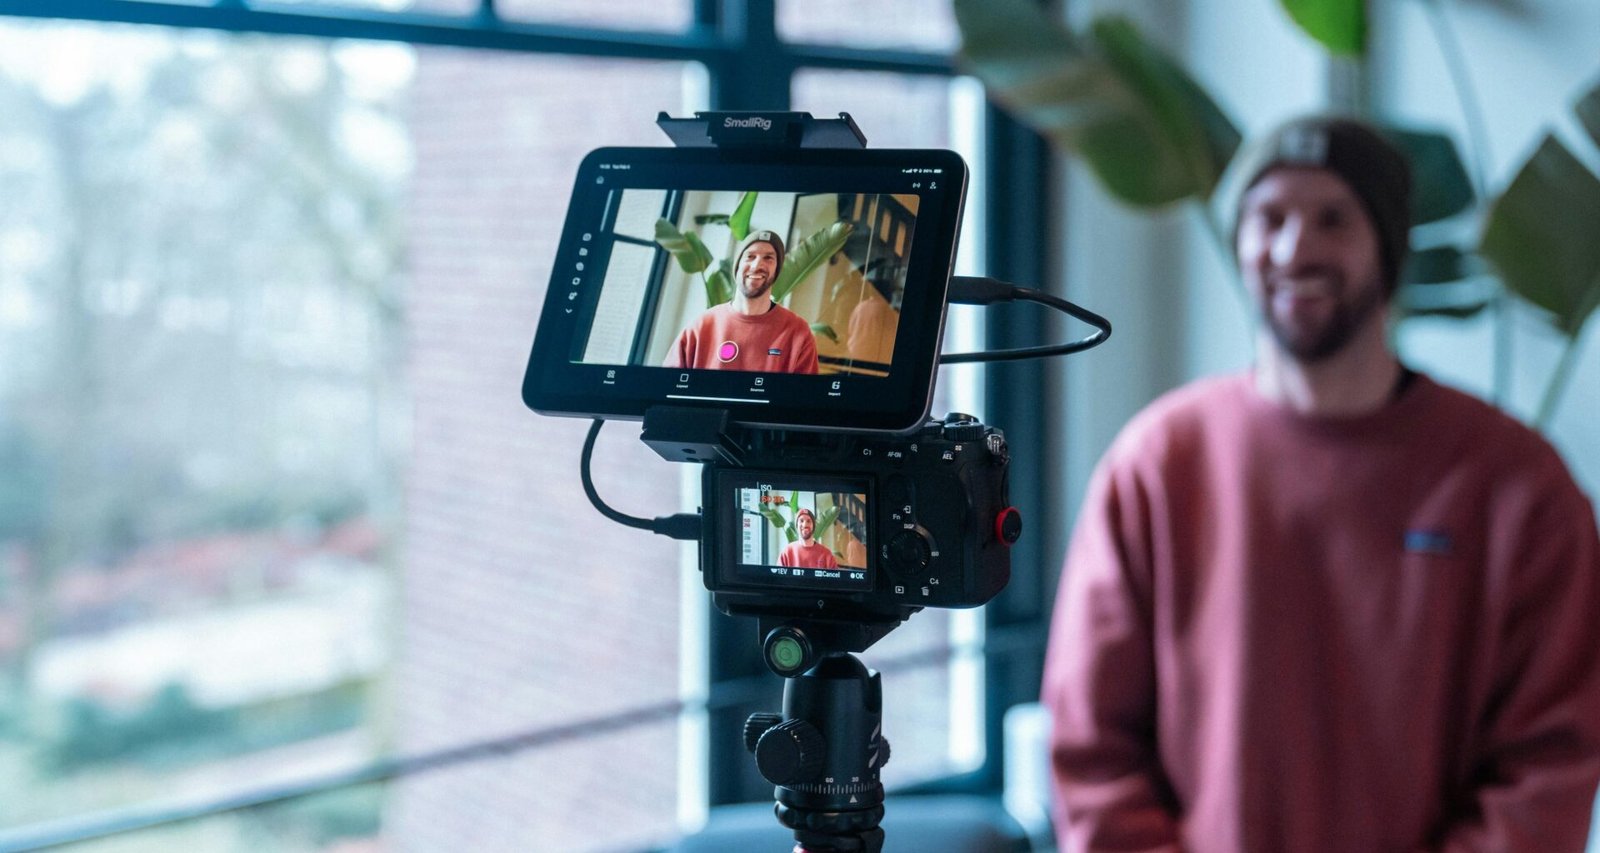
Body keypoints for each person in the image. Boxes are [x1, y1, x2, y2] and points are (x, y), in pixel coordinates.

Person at [1042, 115, 1600, 852]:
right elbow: (1091, 746)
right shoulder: (1156, 463)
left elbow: (1549, 766)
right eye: (1269, 218)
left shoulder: (1519, 484)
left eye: (1333, 219)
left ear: (1388, 249)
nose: (1294, 247)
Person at [664, 229, 820, 374]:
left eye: (768, 258)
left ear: (777, 270)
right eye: (750, 256)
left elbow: (805, 399)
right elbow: (667, 386)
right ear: (737, 266)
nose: (757, 265)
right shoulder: (701, 326)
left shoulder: (798, 332)